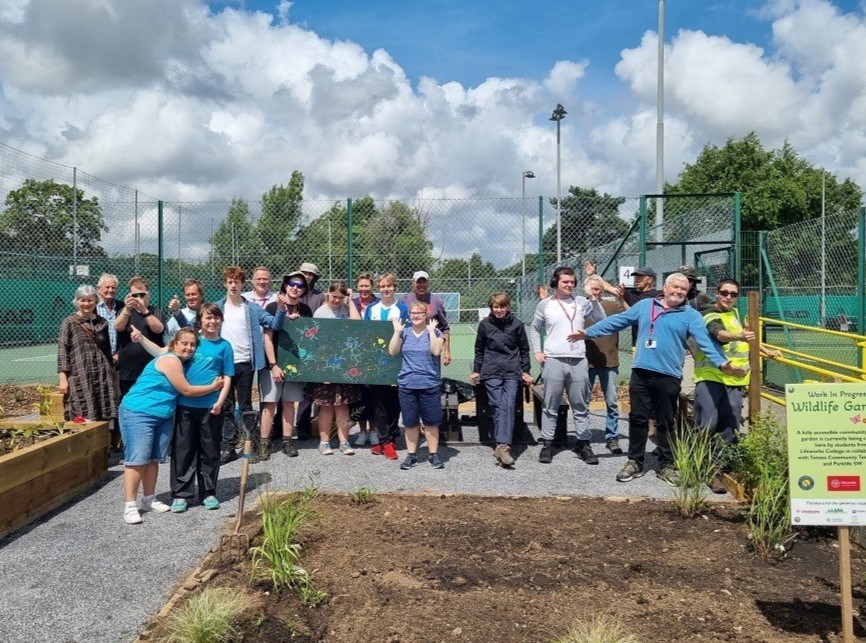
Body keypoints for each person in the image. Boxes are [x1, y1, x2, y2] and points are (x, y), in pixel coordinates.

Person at [579, 273, 746, 486]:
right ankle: (635, 462)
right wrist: (587, 333)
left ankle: (666, 464)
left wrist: (722, 363)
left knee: (666, 421)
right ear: (665, 288)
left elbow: (705, 342)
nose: (678, 291)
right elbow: (617, 322)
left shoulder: (691, 315)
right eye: (675, 287)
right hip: (641, 371)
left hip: (669, 375)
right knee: (638, 419)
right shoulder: (646, 305)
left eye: (683, 289)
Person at [132, 304, 234, 512]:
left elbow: (228, 376)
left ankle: (208, 491)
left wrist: (220, 401)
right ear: (200, 320)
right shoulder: (191, 341)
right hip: (185, 405)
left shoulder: (225, 346)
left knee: (210, 450)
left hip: (211, 407)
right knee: (183, 450)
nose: (212, 322)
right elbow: (163, 353)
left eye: (216, 318)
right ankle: (181, 493)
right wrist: (142, 339)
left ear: (221, 320)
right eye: (208, 318)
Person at [118, 328, 223, 524]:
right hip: (139, 412)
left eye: (192, 344)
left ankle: (149, 499)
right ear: (174, 344)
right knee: (137, 460)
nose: (189, 348)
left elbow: (157, 349)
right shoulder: (171, 360)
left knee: (153, 459)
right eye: (184, 343)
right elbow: (186, 390)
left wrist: (141, 338)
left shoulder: (175, 357)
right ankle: (130, 506)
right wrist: (213, 387)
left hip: (162, 415)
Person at [692, 278, 780, 492]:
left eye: (733, 294)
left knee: (730, 425)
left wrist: (766, 351)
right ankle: (701, 466)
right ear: (717, 293)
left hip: (735, 379)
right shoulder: (710, 313)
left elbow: (746, 339)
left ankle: (720, 468)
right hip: (711, 376)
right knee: (708, 424)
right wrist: (738, 335)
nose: (728, 297)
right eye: (724, 293)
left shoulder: (736, 315)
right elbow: (718, 334)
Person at [530, 266, 605, 465]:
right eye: (565, 282)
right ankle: (548, 443)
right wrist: (537, 350)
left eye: (572, 282)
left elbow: (600, 319)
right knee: (550, 405)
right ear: (556, 282)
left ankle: (584, 443)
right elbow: (535, 328)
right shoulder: (545, 304)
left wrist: (595, 300)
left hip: (579, 360)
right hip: (554, 360)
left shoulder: (581, 302)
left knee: (580, 405)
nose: (569, 285)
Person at [217, 266, 287, 464]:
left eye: (236, 282)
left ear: (242, 284)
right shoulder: (218, 307)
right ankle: (228, 446)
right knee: (226, 405)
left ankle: (251, 443)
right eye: (229, 282)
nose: (233, 285)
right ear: (225, 284)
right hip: (224, 365)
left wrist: (281, 309)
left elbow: (274, 325)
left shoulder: (252, 308)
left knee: (246, 404)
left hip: (246, 363)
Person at [469, 292, 532, 467]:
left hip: (512, 372)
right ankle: (502, 445)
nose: (499, 310)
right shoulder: (484, 325)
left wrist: (525, 371)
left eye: (502, 307)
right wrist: (476, 370)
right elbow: (479, 350)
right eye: (496, 307)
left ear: (508, 307)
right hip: (491, 372)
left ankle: (502, 446)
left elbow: (524, 350)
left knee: (509, 404)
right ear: (491, 308)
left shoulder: (517, 325)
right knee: (497, 406)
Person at [258, 272, 313, 461]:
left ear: (304, 290)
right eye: (292, 283)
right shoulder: (273, 307)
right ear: (285, 285)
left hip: (294, 366)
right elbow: (267, 337)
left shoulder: (305, 310)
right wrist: (273, 365)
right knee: (269, 403)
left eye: (300, 285)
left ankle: (287, 442)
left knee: (289, 403)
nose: (295, 287)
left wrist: (298, 325)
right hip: (272, 365)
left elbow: (309, 336)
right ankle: (264, 444)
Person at [389, 301, 446, 469]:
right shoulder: (404, 333)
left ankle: (433, 455)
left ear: (425, 315)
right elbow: (392, 351)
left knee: (431, 423)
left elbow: (436, 351)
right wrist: (396, 332)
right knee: (410, 423)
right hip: (407, 385)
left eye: (419, 313)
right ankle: (411, 455)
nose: (415, 316)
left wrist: (431, 333)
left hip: (429, 385)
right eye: (413, 313)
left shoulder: (435, 332)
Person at [308, 281, 361, 455]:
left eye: (341, 297)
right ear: (328, 294)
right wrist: (323, 369)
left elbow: (357, 324)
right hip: (327, 366)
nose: (337, 300)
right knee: (327, 406)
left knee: (343, 406)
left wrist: (351, 301)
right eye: (334, 296)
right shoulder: (321, 312)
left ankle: (344, 441)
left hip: (346, 365)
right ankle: (324, 442)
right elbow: (316, 341)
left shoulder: (346, 309)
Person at [363, 272, 409, 459]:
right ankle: (385, 441)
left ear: (394, 287)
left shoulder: (402, 309)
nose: (386, 289)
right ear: (378, 288)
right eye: (382, 286)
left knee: (394, 403)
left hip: (395, 360)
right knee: (378, 402)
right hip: (376, 362)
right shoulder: (371, 309)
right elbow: (366, 334)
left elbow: (404, 336)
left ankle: (390, 437)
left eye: (389, 286)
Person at [57, 285, 119, 422]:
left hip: (103, 375)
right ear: (77, 302)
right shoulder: (69, 323)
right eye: (82, 300)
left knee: (105, 410)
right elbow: (62, 351)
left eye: (90, 300)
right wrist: (63, 379)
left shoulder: (103, 322)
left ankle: (107, 441)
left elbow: (107, 350)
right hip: (81, 374)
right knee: (83, 409)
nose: (86, 304)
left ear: (96, 301)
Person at [583, 274, 626, 454]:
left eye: (598, 287)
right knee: (583, 401)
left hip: (609, 361)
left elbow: (630, 313)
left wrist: (621, 298)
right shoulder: (580, 307)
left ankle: (612, 437)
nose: (595, 289)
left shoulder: (612, 306)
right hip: (586, 361)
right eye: (592, 287)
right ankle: (583, 436)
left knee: (612, 401)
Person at [114, 276, 165, 397]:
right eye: (134, 295)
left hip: (150, 371)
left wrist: (144, 310)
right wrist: (127, 308)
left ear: (148, 295)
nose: (138, 299)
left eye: (141, 295)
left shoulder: (155, 311)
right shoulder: (124, 311)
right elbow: (118, 326)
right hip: (127, 372)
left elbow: (158, 329)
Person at [351, 272, 380, 444]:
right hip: (355, 356)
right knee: (359, 394)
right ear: (357, 287)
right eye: (361, 286)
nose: (364, 289)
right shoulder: (352, 303)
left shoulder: (378, 303)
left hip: (374, 356)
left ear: (372, 287)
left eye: (367, 286)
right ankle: (362, 431)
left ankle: (374, 431)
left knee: (373, 394)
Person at [399, 270, 451, 366]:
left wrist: (447, 351)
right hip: (408, 351)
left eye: (424, 281)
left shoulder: (436, 301)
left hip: (430, 351)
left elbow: (445, 328)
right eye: (419, 282)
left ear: (428, 283)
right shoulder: (403, 300)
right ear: (413, 283)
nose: (421, 285)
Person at [95, 273, 123, 361]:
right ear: (98, 289)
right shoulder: (92, 307)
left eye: (113, 287)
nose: (110, 290)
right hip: (98, 358)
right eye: (107, 287)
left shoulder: (122, 307)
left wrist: (120, 353)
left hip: (117, 359)